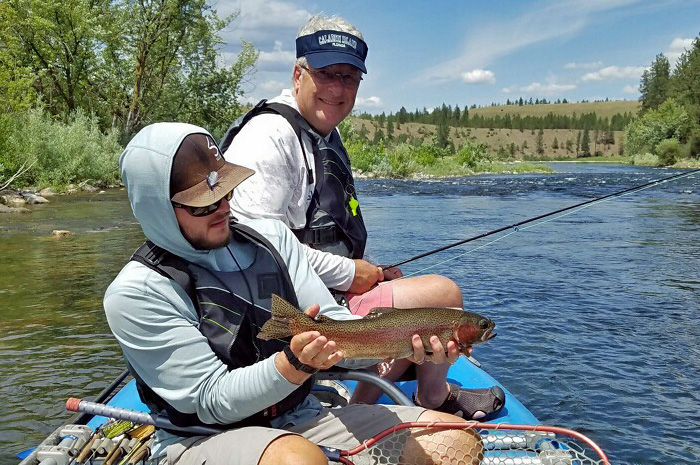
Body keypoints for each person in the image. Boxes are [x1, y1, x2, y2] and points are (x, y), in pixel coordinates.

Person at [104, 122, 485, 465]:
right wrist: (294, 364)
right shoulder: (137, 293)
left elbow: (335, 325)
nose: (224, 208)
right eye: (203, 204)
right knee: (297, 461)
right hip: (201, 439)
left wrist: (391, 342)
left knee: (455, 440)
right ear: (156, 208)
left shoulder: (272, 238)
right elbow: (211, 401)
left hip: (301, 417)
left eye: (226, 191)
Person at [220, 14, 504, 418]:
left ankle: (359, 406)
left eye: (349, 77)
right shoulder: (267, 139)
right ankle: (433, 401)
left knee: (416, 307)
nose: (337, 88)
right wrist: (350, 273)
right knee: (445, 296)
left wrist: (370, 272)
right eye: (325, 73)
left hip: (322, 291)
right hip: (289, 308)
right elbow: (258, 248)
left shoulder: (322, 135)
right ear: (297, 73)